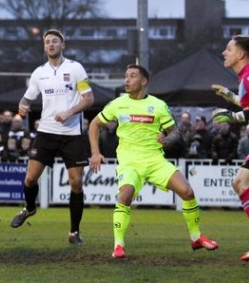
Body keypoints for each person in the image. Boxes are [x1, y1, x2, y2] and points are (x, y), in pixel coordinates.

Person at [88, 64, 218, 259]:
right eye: (126, 76)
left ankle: (196, 237)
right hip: (130, 161)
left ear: (144, 81)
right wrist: (95, 153)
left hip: (155, 159)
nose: (127, 80)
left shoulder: (157, 105)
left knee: (187, 191)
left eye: (132, 76)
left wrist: (167, 139)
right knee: (125, 195)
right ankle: (118, 245)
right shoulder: (118, 103)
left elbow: (175, 132)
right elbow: (94, 125)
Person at [10, 29, 94, 246]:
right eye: (47, 42)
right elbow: (27, 98)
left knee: (76, 183)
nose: (51, 44)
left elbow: (88, 99)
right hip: (46, 132)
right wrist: (22, 106)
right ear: (44, 47)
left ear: (62, 45)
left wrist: (69, 112)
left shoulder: (75, 68)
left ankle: (74, 232)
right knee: (30, 179)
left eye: (55, 41)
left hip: (71, 134)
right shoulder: (39, 73)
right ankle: (29, 208)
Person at [211, 35, 249, 261]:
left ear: (240, 54)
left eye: (228, 49)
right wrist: (232, 98)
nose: (224, 52)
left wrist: (234, 116)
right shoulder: (246, 77)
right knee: (241, 183)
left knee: (241, 182)